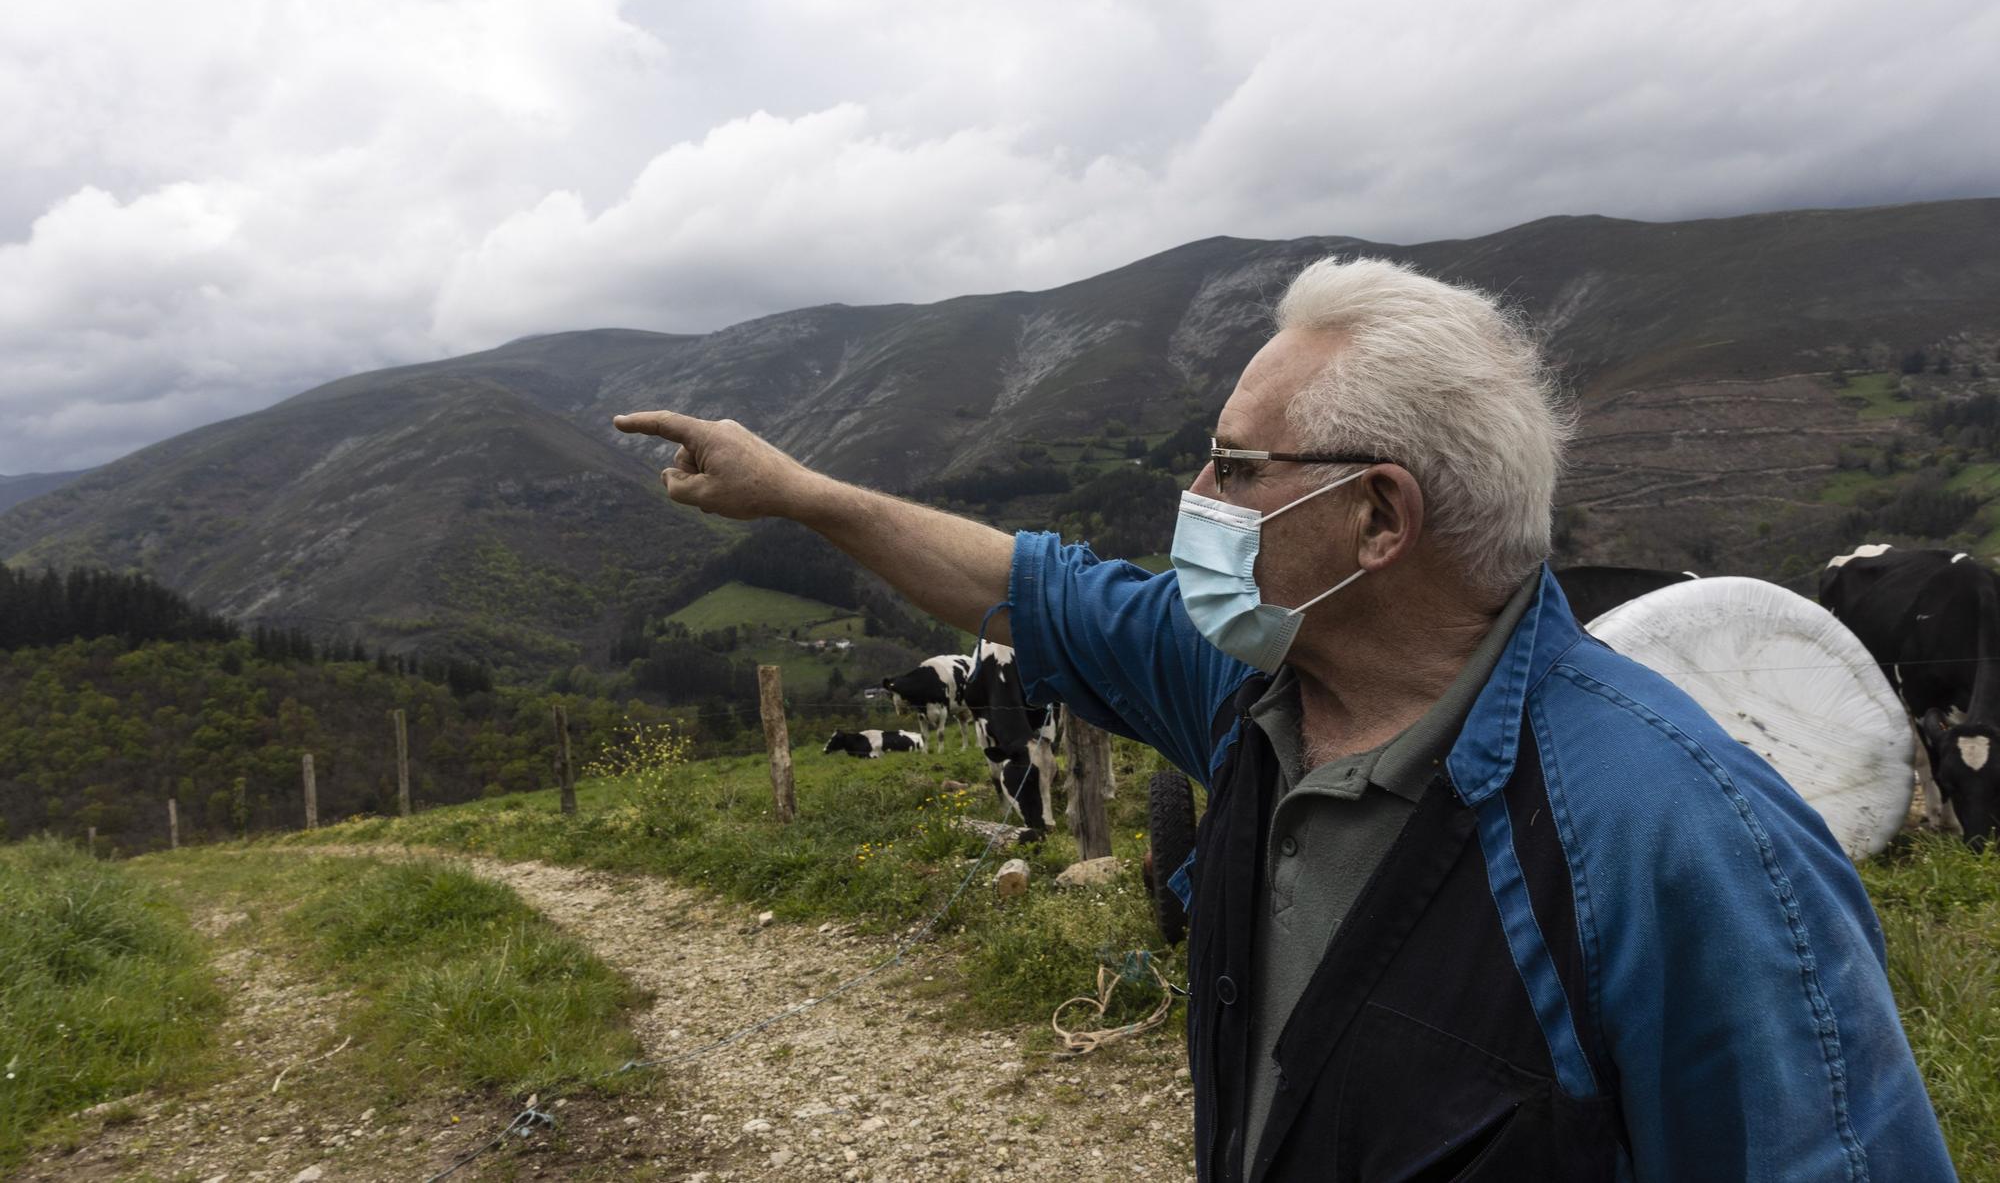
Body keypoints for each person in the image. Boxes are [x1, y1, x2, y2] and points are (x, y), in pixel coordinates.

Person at [614, 256, 1953, 1181]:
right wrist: (799, 492)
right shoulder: (1250, 687)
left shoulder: (1689, 842)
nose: (1194, 492)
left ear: (1378, 517)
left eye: (1236, 466)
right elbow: (1031, 589)